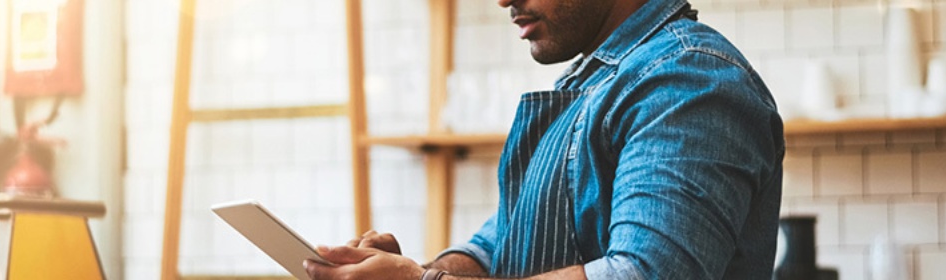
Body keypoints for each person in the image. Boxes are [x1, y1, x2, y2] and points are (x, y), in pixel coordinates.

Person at [302, 0, 784, 279]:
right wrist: (404, 269)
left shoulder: (688, 79)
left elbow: (641, 275)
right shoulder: (591, 83)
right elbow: (496, 248)